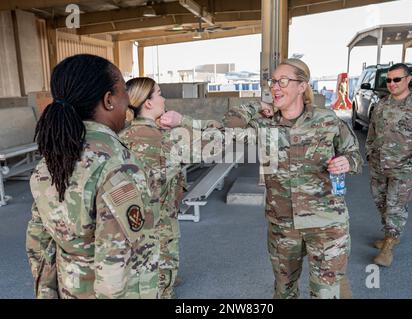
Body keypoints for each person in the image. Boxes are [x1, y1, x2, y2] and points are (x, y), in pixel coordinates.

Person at [161, 58, 362, 299]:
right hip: (283, 226)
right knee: (284, 290)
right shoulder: (264, 124)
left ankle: (338, 284)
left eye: (283, 81)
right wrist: (257, 106)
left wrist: (347, 162)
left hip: (327, 223)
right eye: (273, 81)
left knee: (327, 292)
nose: (275, 87)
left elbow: (354, 156)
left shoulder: (328, 120)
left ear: (302, 86)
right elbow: (225, 126)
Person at [26, 54, 160, 299]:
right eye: (123, 92)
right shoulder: (117, 164)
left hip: (70, 288)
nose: (128, 103)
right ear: (109, 100)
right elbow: (118, 260)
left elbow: (39, 242)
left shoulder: (51, 159)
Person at [366, 63, 412, 267]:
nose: (392, 83)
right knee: (381, 201)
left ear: (408, 79)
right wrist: (369, 152)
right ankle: (390, 234)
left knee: (396, 205)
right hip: (379, 165)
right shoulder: (382, 104)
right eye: (388, 80)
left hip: (403, 167)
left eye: (396, 79)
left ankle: (389, 245)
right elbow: (371, 130)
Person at [119, 77, 185, 299]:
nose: (164, 98)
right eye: (159, 93)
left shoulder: (121, 136)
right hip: (163, 218)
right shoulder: (165, 139)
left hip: (133, 219)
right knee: (164, 265)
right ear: (147, 103)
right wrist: (182, 123)